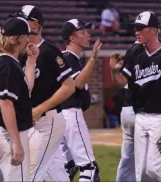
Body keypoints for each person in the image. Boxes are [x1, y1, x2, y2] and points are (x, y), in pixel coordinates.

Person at [110, 11, 161, 182]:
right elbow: (120, 82)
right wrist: (114, 71)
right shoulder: (134, 53)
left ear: (153, 31)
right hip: (140, 117)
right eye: (135, 29)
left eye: (140, 28)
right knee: (142, 173)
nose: (136, 32)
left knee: (155, 168)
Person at [10, 5, 75, 181]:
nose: (19, 23)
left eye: (24, 19)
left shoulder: (50, 52)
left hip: (48, 120)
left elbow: (69, 87)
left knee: (28, 174)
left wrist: (40, 108)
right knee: (56, 174)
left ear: (36, 25)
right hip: (31, 123)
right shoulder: (21, 53)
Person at [46, 19, 102, 182]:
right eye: (83, 31)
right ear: (72, 37)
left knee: (67, 167)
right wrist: (93, 58)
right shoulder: (68, 58)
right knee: (89, 169)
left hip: (59, 116)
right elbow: (78, 83)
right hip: (71, 113)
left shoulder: (65, 58)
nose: (88, 34)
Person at [0, 17, 39, 181]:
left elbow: (25, 88)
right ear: (19, 38)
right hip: (7, 134)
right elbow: (6, 103)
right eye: (26, 36)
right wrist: (16, 141)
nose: (28, 40)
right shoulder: (9, 65)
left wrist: (31, 61)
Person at [116, 40, 141, 182]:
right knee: (145, 156)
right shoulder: (143, 58)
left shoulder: (128, 56)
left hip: (125, 111)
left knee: (127, 155)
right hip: (138, 111)